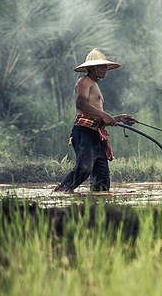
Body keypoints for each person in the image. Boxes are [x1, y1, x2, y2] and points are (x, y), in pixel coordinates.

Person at [54, 49, 137, 193]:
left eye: (105, 66)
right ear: (91, 67)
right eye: (101, 66)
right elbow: (80, 103)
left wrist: (119, 118)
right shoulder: (84, 81)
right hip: (84, 133)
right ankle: (60, 192)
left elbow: (97, 117)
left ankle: (98, 206)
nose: (104, 69)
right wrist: (104, 115)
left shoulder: (96, 85)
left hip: (96, 135)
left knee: (102, 178)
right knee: (84, 168)